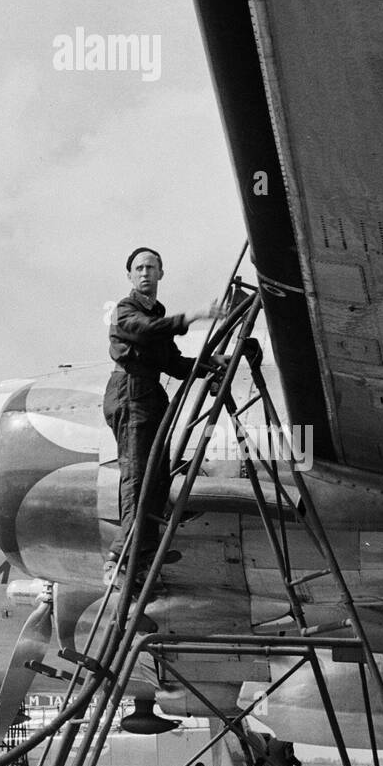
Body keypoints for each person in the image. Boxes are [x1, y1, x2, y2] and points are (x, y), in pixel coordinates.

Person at [105, 247, 221, 576]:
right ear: (130, 276)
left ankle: (144, 550)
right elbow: (144, 329)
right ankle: (120, 554)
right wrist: (192, 316)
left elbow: (173, 363)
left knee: (157, 478)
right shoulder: (123, 311)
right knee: (138, 475)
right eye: (139, 268)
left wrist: (212, 364)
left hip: (150, 395)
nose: (145, 273)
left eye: (151, 268)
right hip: (129, 392)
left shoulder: (157, 315)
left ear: (160, 274)